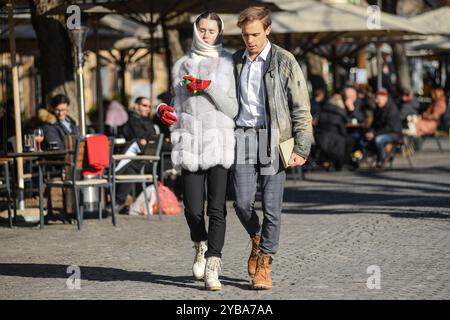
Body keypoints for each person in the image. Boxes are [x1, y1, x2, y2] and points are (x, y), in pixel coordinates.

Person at [231, 7, 313, 290]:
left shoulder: (284, 60)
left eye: (254, 34)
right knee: (241, 203)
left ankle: (264, 262)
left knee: (271, 207)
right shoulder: (235, 61)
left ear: (267, 30)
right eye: (245, 35)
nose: (250, 40)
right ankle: (257, 238)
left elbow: (301, 107)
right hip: (242, 137)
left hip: (273, 138)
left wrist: (302, 146)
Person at [157, 12, 238, 291]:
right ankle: (200, 245)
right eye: (202, 29)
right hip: (189, 143)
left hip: (218, 142)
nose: (206, 35)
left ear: (219, 32)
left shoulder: (228, 62)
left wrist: (209, 87)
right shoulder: (181, 64)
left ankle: (214, 263)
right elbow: (175, 104)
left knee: (216, 208)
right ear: (195, 31)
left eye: (211, 30)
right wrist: (164, 111)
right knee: (192, 208)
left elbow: (234, 108)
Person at [113, 97, 160, 213]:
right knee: (131, 168)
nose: (147, 109)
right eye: (144, 105)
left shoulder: (147, 121)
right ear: (136, 105)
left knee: (131, 167)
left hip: (150, 158)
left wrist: (146, 139)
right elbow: (140, 138)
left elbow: (150, 139)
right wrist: (146, 139)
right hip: (140, 157)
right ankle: (120, 201)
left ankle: (119, 201)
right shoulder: (132, 121)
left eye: (149, 106)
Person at [364, 89, 402, 168]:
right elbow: (374, 124)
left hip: (393, 133)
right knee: (364, 138)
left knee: (378, 139)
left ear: (385, 98)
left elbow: (389, 127)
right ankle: (376, 156)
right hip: (381, 132)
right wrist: (370, 131)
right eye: (376, 98)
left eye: (378, 99)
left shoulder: (392, 109)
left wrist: (374, 134)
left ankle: (382, 160)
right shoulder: (378, 109)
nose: (376, 101)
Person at [316, 94, 355, 171]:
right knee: (351, 140)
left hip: (321, 139)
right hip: (336, 141)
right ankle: (345, 162)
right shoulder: (340, 113)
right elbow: (343, 131)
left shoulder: (322, 110)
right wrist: (351, 110)